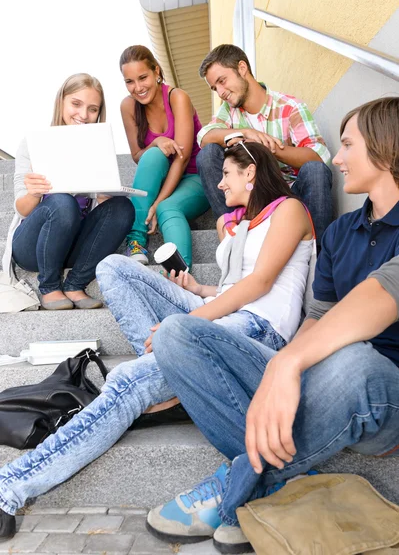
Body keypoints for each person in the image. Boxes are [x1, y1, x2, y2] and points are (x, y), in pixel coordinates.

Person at [0, 140, 315, 541]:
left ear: (251, 173)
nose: (219, 185)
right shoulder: (237, 223)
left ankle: (9, 487)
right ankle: (174, 382)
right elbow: (230, 287)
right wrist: (199, 289)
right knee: (114, 267)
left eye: (227, 175)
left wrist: (182, 326)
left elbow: (261, 283)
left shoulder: (289, 210)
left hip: (255, 330)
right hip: (219, 313)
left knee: (129, 381)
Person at [143, 96, 399, 554]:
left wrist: (288, 366)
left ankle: (238, 482)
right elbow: (316, 318)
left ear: (385, 147)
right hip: (317, 375)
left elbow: (379, 297)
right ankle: (274, 478)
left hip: (383, 395)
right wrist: (285, 364)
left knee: (356, 360)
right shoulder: (340, 233)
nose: (336, 158)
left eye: (346, 145)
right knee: (179, 334)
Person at [1, 74, 134, 310]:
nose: (83, 115)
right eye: (76, 104)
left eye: (92, 109)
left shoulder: (98, 148)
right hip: (32, 247)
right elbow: (21, 208)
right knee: (63, 202)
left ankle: (75, 284)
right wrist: (34, 192)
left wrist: (104, 197)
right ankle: (49, 287)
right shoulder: (33, 143)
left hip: (74, 246)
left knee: (123, 207)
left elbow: (103, 218)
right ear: (61, 101)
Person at [196, 43, 333, 248]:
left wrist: (269, 147)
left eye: (222, 81)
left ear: (242, 68)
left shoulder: (290, 107)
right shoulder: (229, 112)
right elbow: (204, 136)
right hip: (253, 199)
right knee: (208, 154)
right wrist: (244, 133)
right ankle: (234, 241)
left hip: (291, 194)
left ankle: (320, 259)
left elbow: (319, 157)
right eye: (215, 88)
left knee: (315, 170)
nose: (221, 92)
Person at [120, 45, 209, 269]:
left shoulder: (177, 97)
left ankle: (179, 276)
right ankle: (136, 240)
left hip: (192, 177)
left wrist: (157, 203)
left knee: (166, 208)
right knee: (152, 156)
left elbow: (182, 156)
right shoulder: (128, 106)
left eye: (143, 77)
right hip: (159, 177)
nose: (138, 87)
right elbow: (138, 156)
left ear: (157, 72)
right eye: (130, 81)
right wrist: (156, 142)